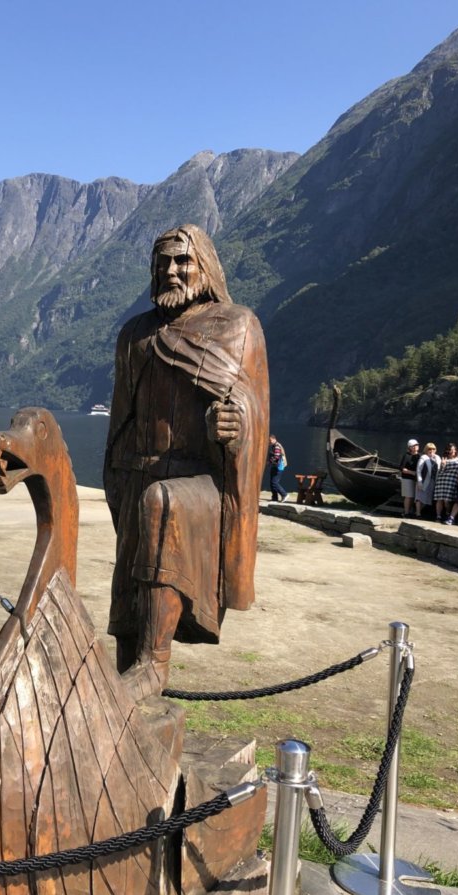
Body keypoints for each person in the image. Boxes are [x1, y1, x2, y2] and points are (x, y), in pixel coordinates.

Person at [104, 224, 269, 698]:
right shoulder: (135, 334)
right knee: (130, 582)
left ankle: (155, 664)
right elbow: (120, 418)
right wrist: (115, 476)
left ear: (204, 265)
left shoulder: (236, 325)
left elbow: (252, 404)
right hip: (138, 473)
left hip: (199, 484)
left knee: (163, 504)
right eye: (163, 263)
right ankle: (128, 673)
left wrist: (237, 424)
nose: (171, 271)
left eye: (182, 261)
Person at [434, 443, 458, 522]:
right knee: (439, 499)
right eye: (450, 450)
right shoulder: (444, 458)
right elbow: (440, 472)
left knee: (447, 500)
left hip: (452, 481)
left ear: (456, 450)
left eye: (453, 450)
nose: (452, 451)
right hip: (442, 480)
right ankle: (438, 516)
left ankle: (447, 512)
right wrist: (443, 465)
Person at [414, 442, 440, 518]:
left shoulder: (437, 458)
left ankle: (418, 512)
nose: (431, 450)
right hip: (423, 480)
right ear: (426, 450)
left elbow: (439, 470)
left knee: (427, 498)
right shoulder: (423, 457)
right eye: (429, 449)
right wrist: (419, 481)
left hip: (432, 481)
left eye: (433, 449)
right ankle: (418, 514)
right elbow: (418, 470)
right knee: (419, 497)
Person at [398, 439, 420, 517]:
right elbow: (401, 468)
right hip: (407, 478)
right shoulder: (407, 455)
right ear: (410, 447)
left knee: (415, 497)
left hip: (417, 479)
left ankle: (410, 511)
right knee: (408, 496)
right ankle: (406, 512)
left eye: (417, 445)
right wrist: (412, 472)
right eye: (414, 446)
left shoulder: (419, 456)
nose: (416, 447)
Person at [267, 434, 288, 501]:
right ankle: (274, 497)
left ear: (274, 439)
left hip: (278, 466)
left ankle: (284, 494)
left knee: (274, 482)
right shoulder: (273, 446)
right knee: (271, 483)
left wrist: (269, 462)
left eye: (270, 440)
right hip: (274, 466)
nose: (269, 442)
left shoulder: (277, 446)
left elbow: (277, 457)